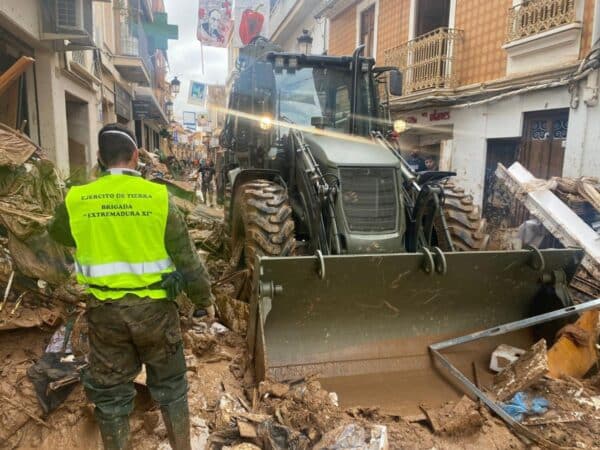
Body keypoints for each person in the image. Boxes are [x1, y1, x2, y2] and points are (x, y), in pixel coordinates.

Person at [48, 123, 215, 450]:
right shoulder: (158, 198)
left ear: (99, 158)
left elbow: (58, 233)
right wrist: (203, 298)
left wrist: (93, 235)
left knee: (111, 397)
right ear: (136, 157)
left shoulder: (77, 199)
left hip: (105, 315)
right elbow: (186, 258)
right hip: (156, 314)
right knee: (171, 387)